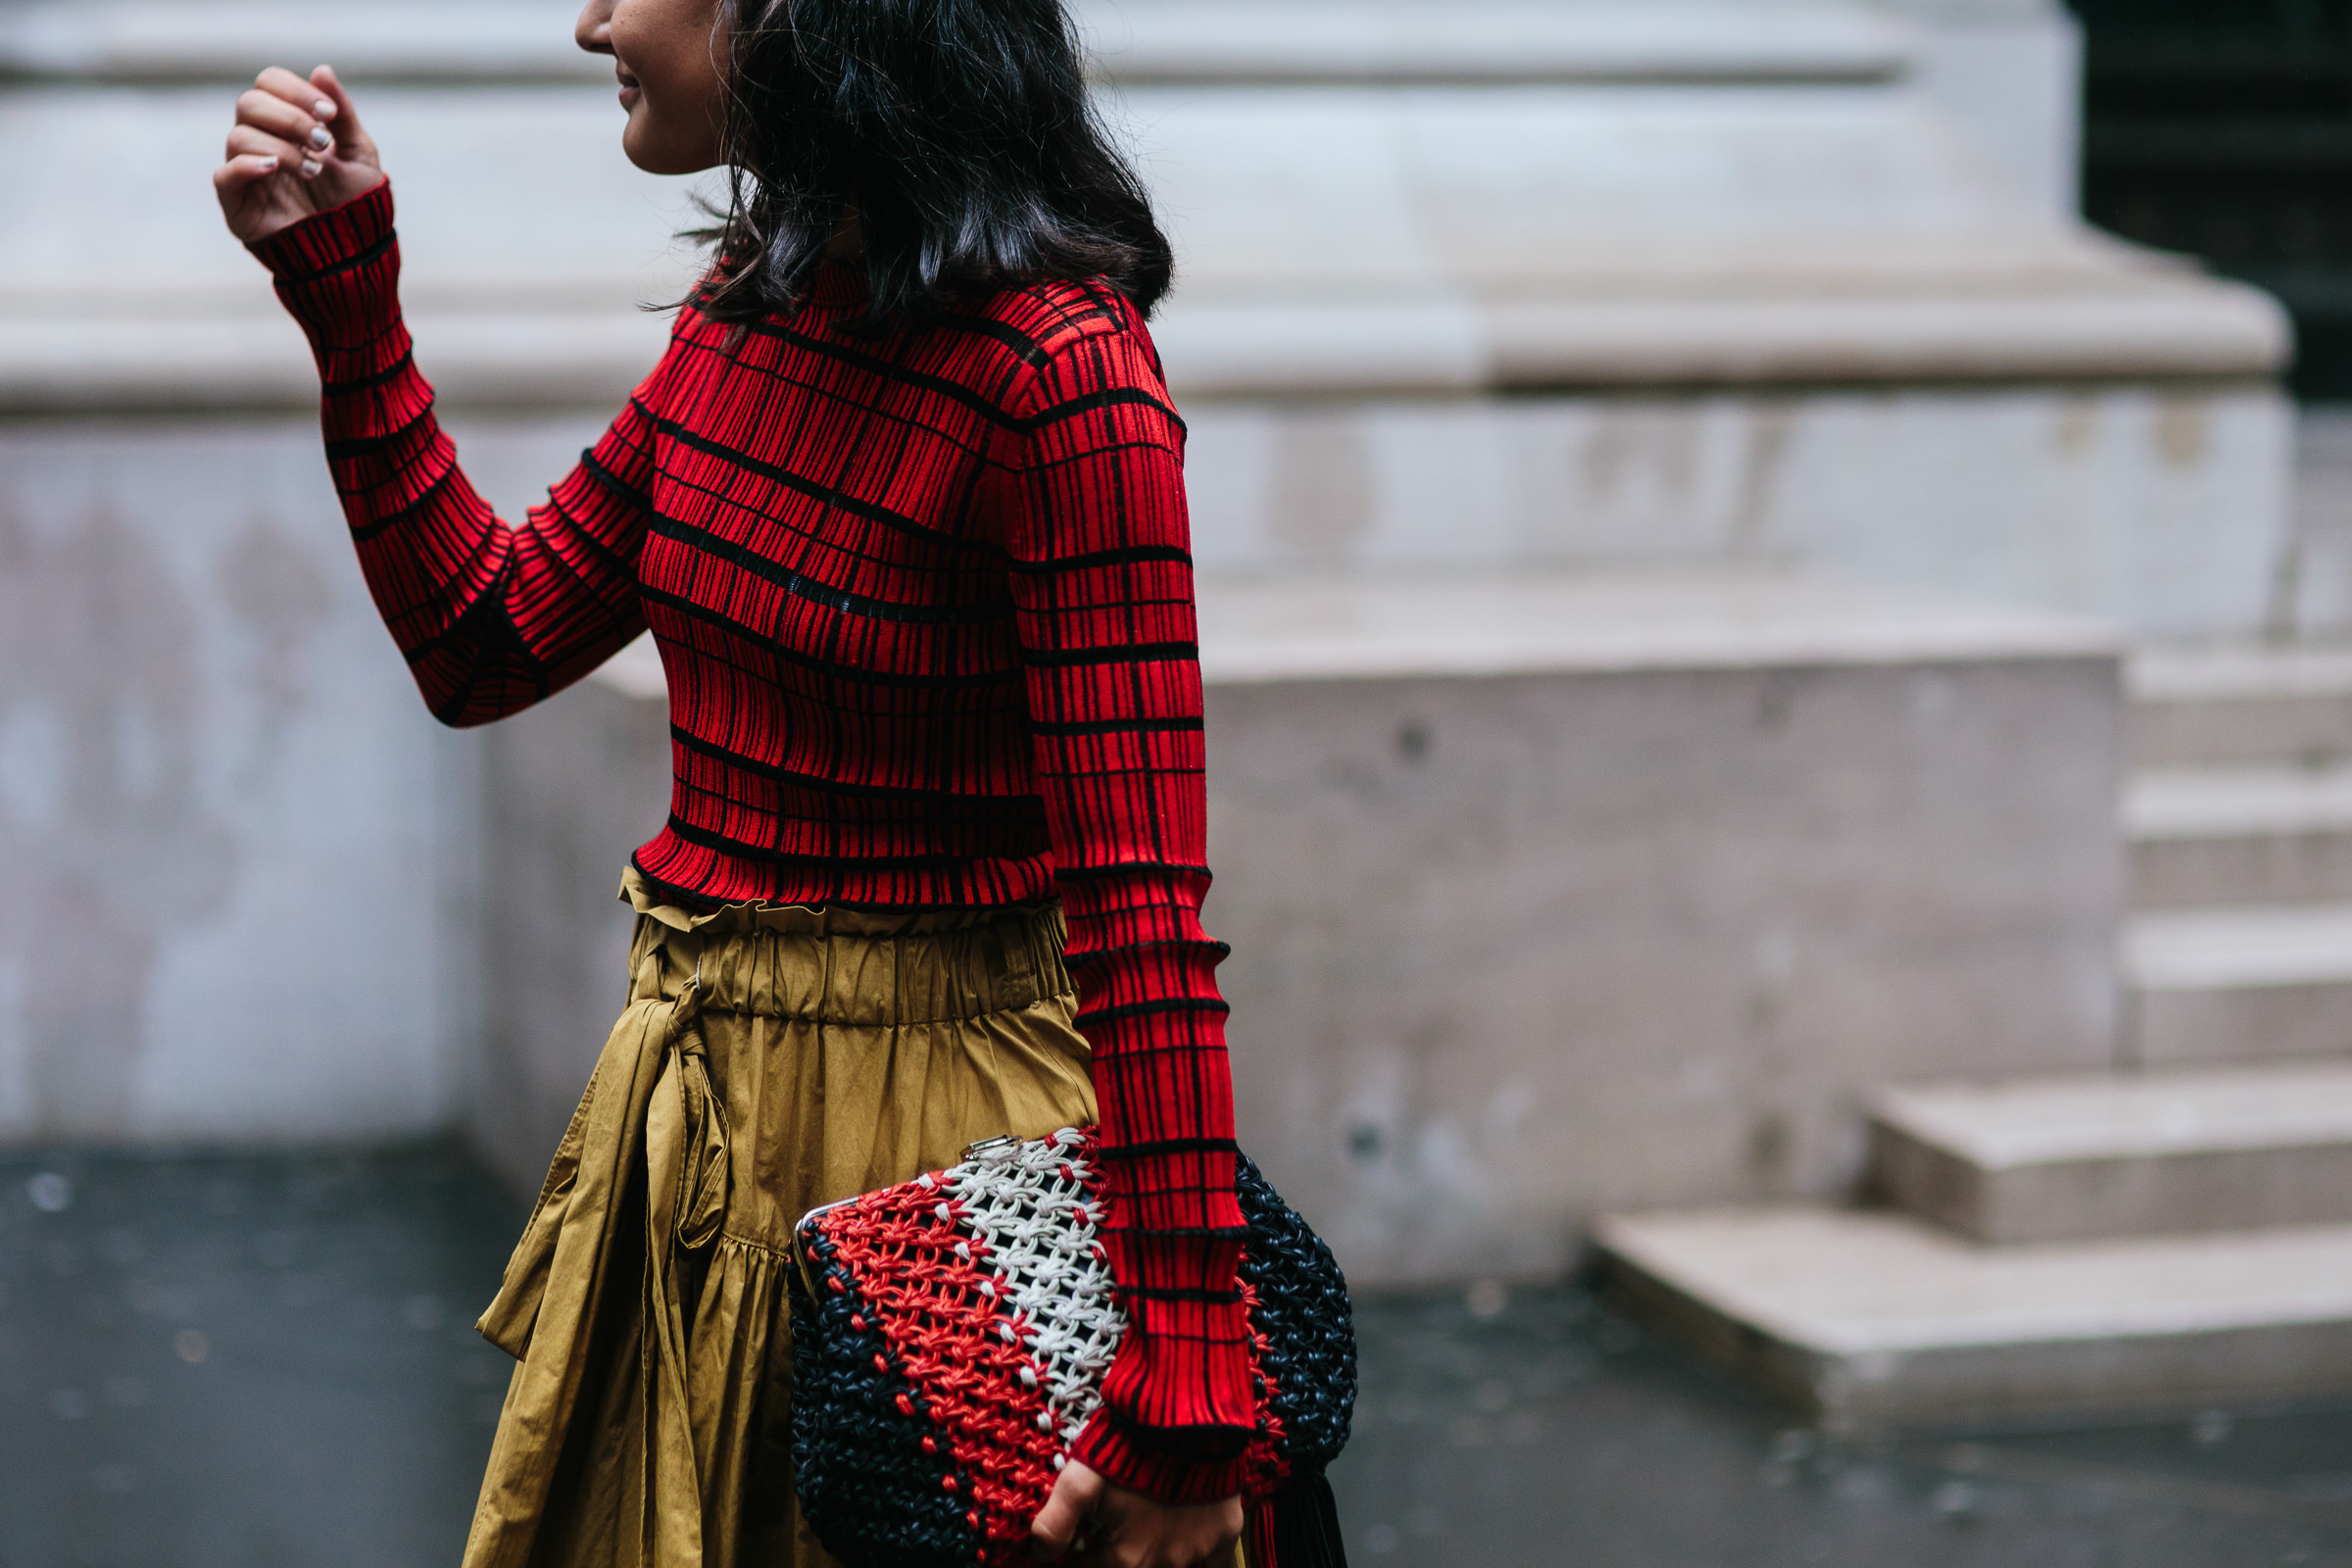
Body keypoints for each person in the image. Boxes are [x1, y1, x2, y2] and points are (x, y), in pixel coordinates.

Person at [211, 1, 1254, 1564]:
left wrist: (1188, 1377)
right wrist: (350, 302)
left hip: (951, 1182)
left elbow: (1142, 917)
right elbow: (483, 643)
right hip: (700, 1157)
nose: (592, 23)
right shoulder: (749, 311)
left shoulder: (1064, 379)